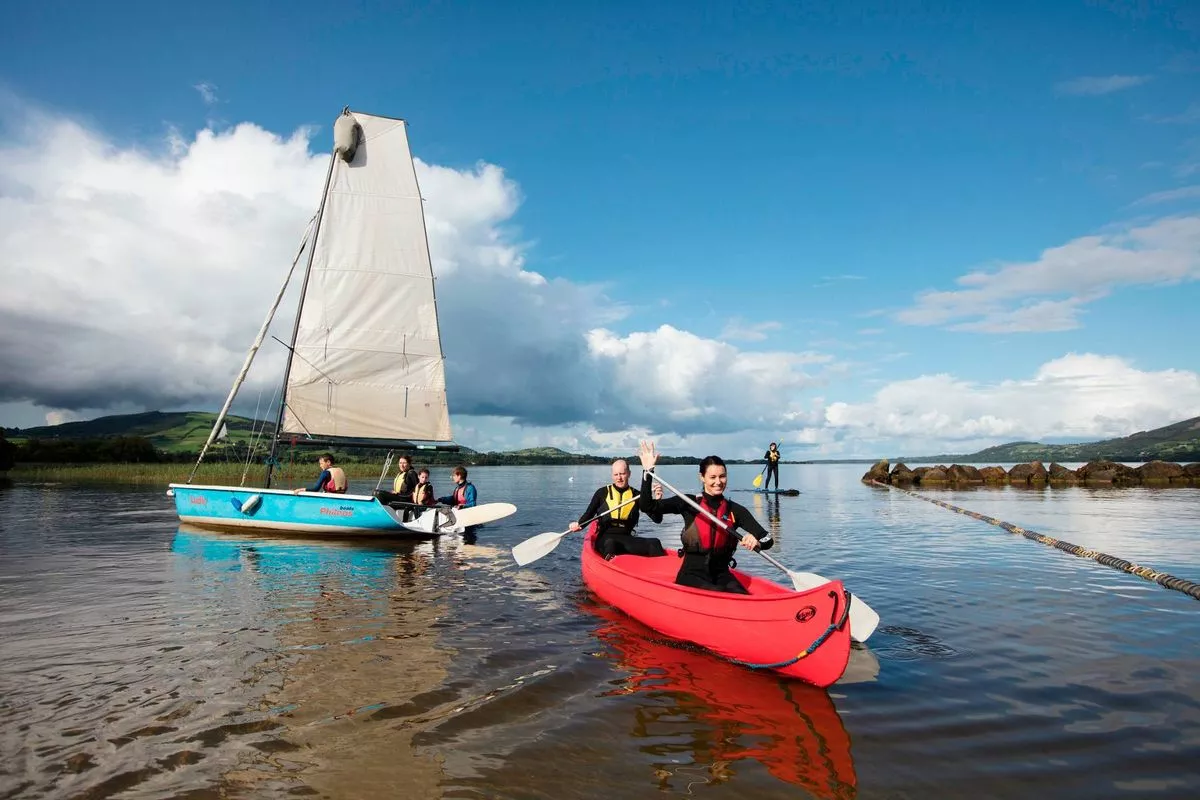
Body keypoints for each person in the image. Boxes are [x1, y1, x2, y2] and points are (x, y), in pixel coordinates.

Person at [636, 440, 774, 594]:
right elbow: (647, 506)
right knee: (716, 592)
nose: (718, 482)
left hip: (722, 574)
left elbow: (767, 539)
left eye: (722, 476)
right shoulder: (689, 502)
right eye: (712, 477)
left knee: (743, 597)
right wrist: (648, 471)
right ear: (702, 477)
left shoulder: (735, 510)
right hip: (691, 574)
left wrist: (757, 542)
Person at [568, 459, 666, 559]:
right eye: (616, 474)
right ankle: (611, 566)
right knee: (611, 544)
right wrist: (578, 524)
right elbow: (588, 515)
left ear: (629, 474)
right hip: (606, 538)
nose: (619, 478)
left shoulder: (637, 495)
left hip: (626, 538)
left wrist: (658, 500)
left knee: (655, 543)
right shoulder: (602, 493)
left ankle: (663, 570)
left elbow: (657, 519)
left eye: (622, 474)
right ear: (612, 475)